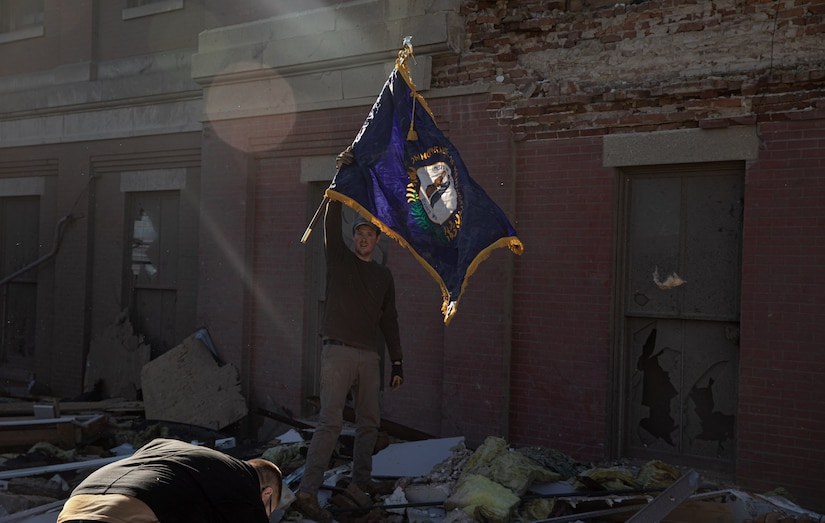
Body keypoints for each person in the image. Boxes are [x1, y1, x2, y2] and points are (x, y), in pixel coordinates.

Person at [293, 148, 405, 523]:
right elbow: (331, 221)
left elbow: (389, 319)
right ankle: (307, 492)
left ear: (376, 240)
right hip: (337, 353)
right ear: (353, 237)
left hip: (369, 357)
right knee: (331, 422)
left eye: (369, 234)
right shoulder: (339, 260)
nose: (363, 239)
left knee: (370, 422)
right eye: (358, 233)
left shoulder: (383, 276)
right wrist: (337, 178)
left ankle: (362, 481)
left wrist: (398, 360)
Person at [57, 437, 282, 523]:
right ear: (266, 493)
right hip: (127, 512)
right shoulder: (244, 484)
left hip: (74, 506)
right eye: (267, 511)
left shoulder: (168, 447)